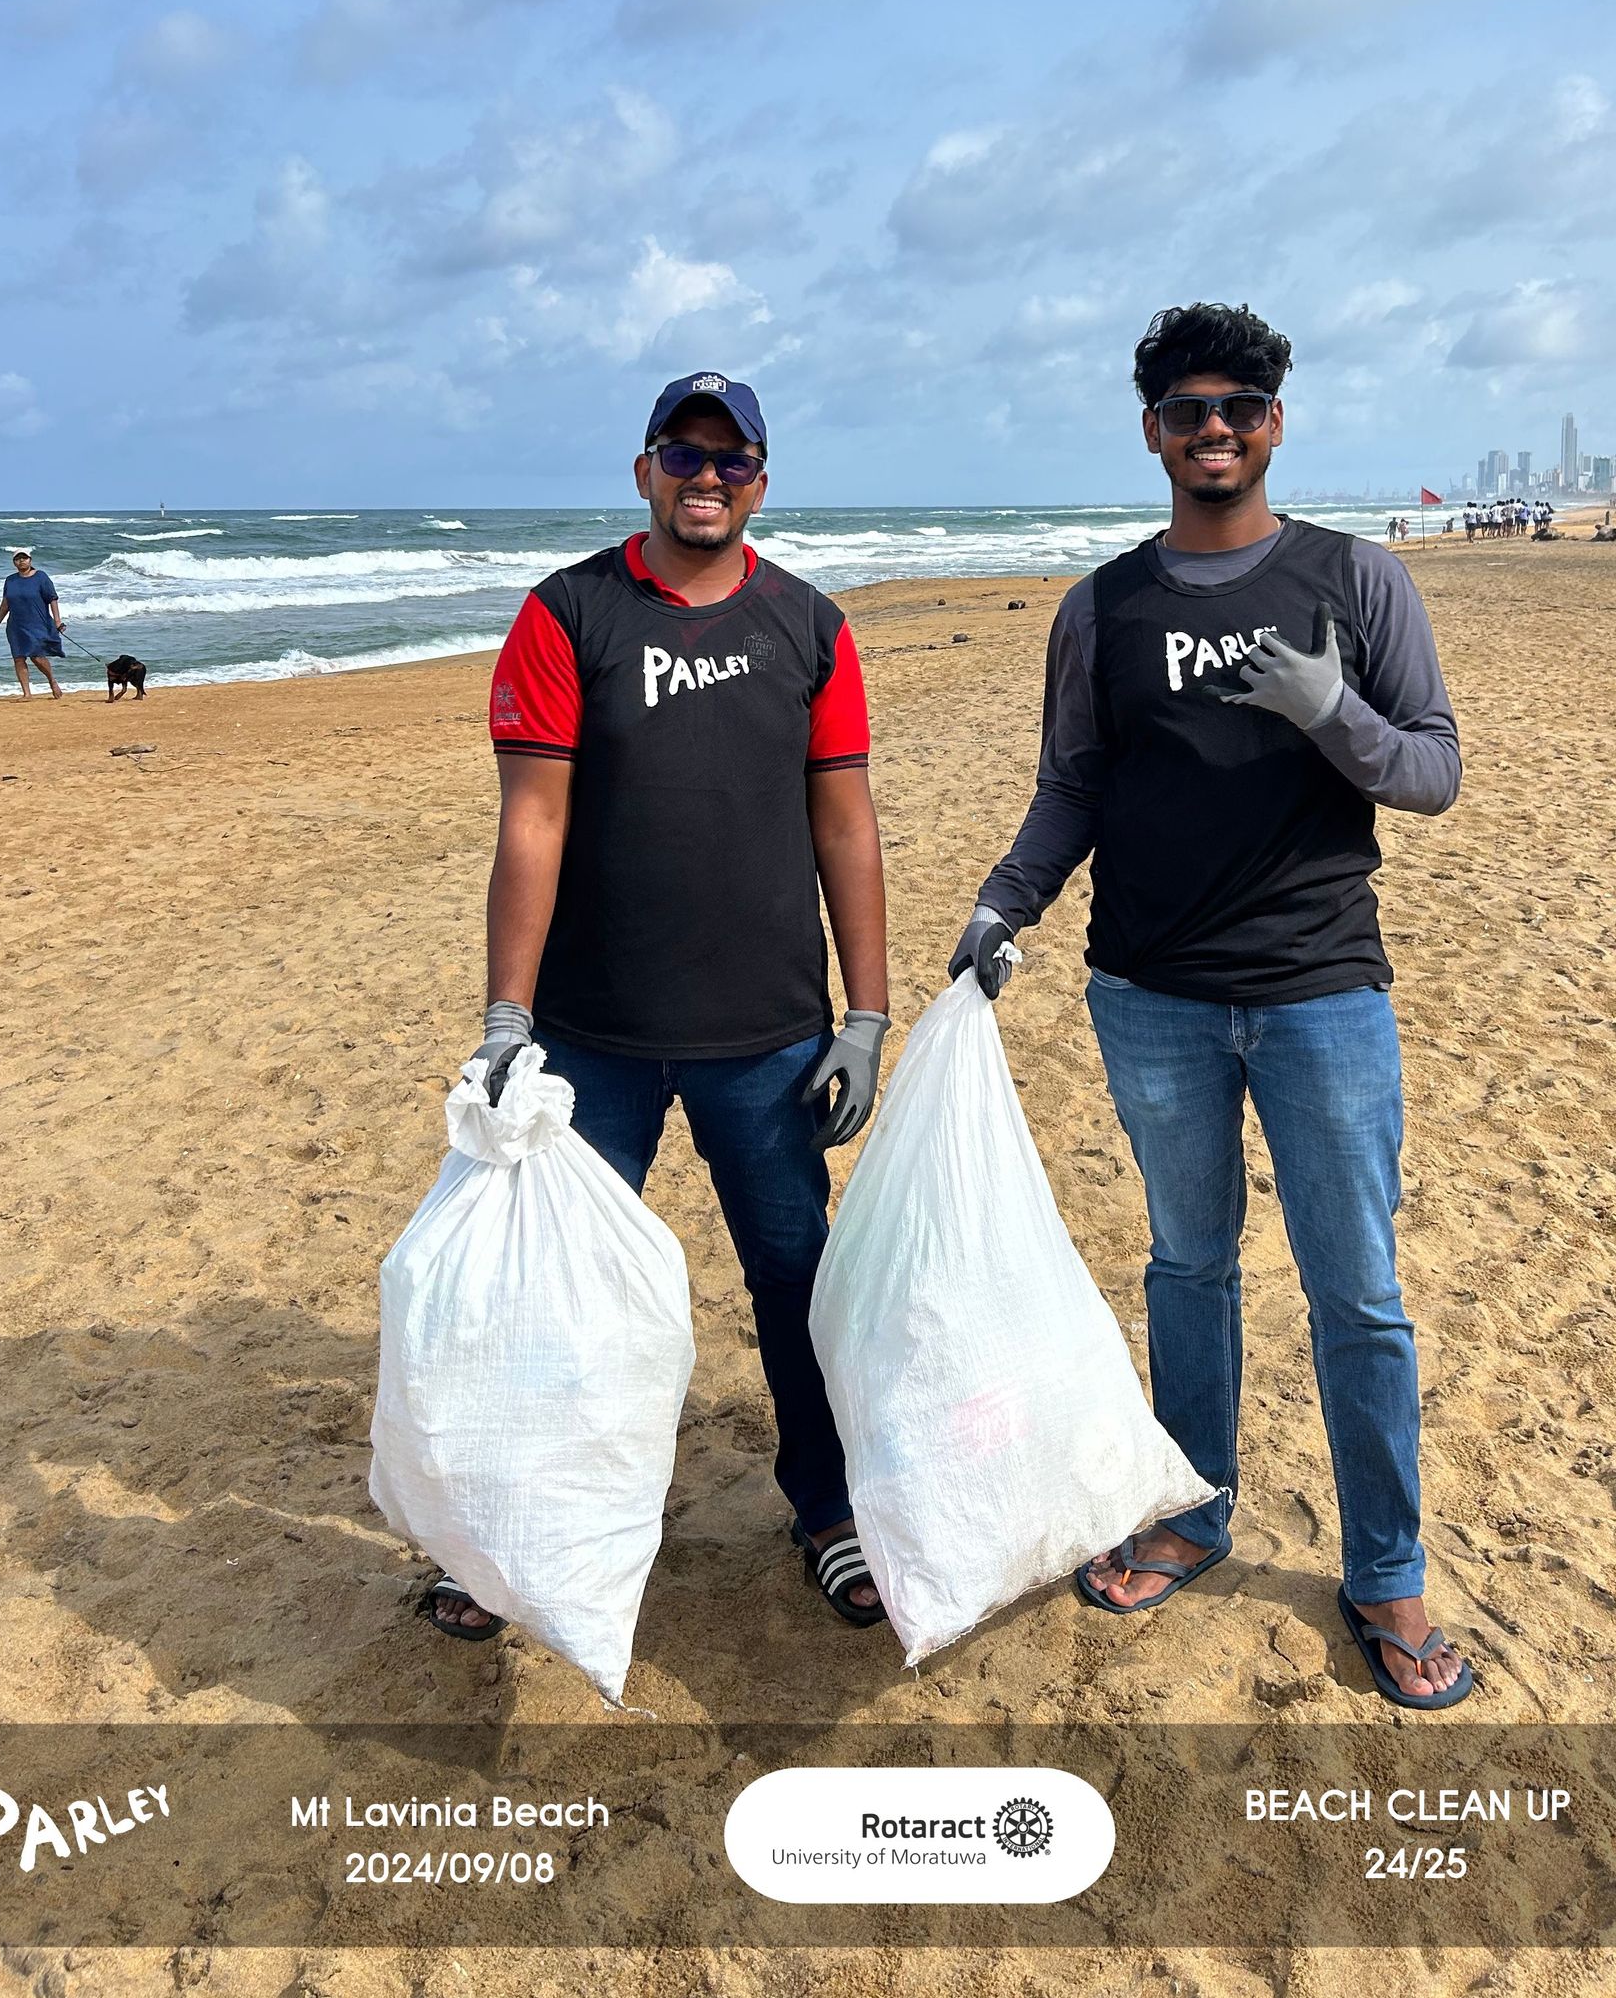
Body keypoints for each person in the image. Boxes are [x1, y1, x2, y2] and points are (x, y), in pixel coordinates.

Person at [949, 302, 1472, 1707]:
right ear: (1153, 432)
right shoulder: (1103, 606)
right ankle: (1192, 1506)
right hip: (1152, 996)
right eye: (1188, 408)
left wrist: (1328, 708)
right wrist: (1008, 901)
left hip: (1320, 995)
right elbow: (1074, 784)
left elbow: (1430, 769)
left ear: (1276, 423)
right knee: (1189, 1266)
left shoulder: (1353, 581)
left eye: (1240, 404)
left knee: (1357, 1289)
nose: (1215, 427)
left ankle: (1387, 1570)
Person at [430, 373, 893, 1642]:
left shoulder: (810, 626)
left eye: (731, 460)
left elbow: (842, 823)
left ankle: (829, 1509)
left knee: (798, 1283)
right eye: (683, 455)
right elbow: (532, 818)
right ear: (642, 471)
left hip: (770, 1037)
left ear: (761, 479)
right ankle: (513, 1542)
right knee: (552, 1293)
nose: (707, 478)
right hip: (593, 1037)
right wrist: (507, 1019)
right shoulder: (566, 614)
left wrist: (865, 1016)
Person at [0, 549, 65, 698]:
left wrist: (57, 621)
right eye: (17, 559)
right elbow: (5, 604)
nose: (21, 561)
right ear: (14, 562)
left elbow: (52, 599)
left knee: (37, 656)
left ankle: (52, 682)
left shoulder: (41, 577)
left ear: (30, 560)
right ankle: (27, 694)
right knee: (18, 657)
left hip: (38, 624)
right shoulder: (10, 580)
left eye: (24, 558)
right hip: (16, 626)